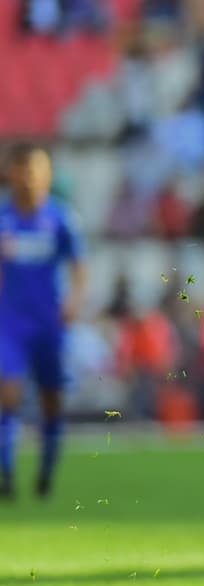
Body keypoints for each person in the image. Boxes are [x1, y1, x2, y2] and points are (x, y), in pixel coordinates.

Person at [0, 143, 87, 499]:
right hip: (11, 324)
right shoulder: (3, 218)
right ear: (11, 173)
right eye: (23, 169)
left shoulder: (61, 218)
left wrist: (74, 301)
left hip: (49, 323)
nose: (29, 177)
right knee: (8, 395)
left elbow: (79, 267)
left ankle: (46, 474)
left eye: (35, 169)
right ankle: (6, 476)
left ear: (48, 175)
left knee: (52, 400)